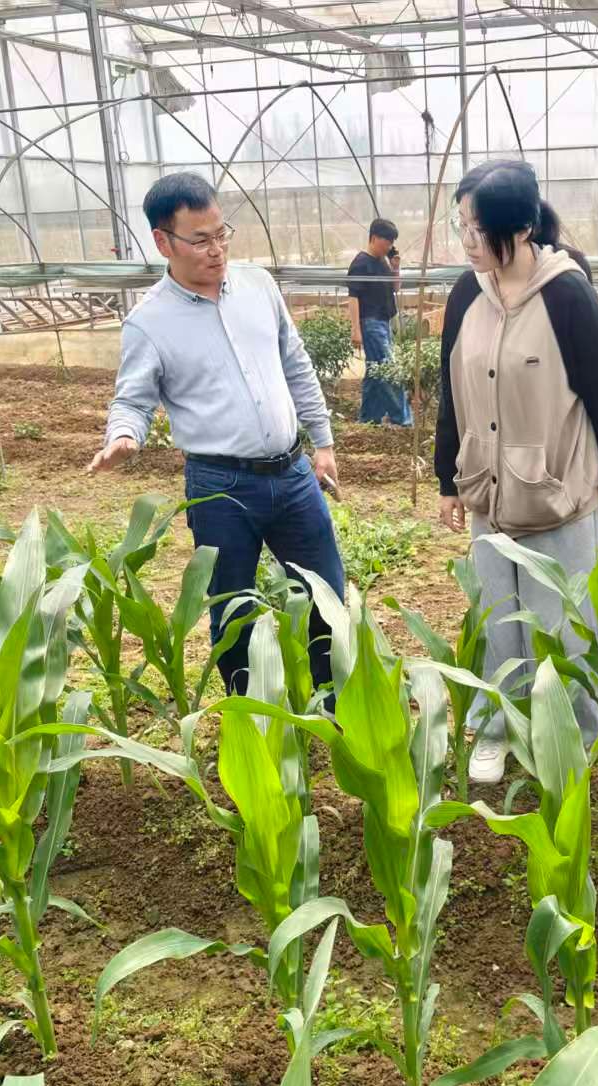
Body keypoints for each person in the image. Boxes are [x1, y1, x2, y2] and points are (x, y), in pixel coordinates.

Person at [86, 171, 345, 696]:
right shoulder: (149, 322)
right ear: (163, 242)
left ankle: (335, 707)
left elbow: (295, 364)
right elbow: (132, 399)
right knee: (232, 609)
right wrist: (124, 434)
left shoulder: (258, 286)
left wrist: (322, 442)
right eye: (200, 239)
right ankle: (249, 716)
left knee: (326, 596)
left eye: (221, 233)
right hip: (221, 488)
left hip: (293, 473)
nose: (216, 249)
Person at [435, 160, 598, 785]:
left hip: (558, 494)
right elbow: (450, 389)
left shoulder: (566, 294)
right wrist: (447, 479)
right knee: (498, 619)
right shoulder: (467, 293)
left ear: (521, 228)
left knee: (563, 625)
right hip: (489, 495)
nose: (467, 241)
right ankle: (498, 727)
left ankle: (571, 733)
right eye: (461, 225)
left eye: (478, 229)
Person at [348, 217, 410, 426]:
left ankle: (368, 418)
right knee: (388, 370)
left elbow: (395, 288)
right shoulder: (360, 263)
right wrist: (355, 330)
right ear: (374, 238)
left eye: (392, 242)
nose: (390, 246)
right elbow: (353, 298)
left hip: (383, 322)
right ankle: (402, 419)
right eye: (388, 241)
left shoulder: (383, 262)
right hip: (371, 323)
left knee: (375, 372)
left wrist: (395, 267)